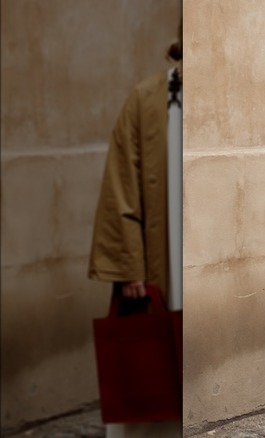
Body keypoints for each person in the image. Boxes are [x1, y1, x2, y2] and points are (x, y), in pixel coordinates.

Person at [88, 21, 182, 438]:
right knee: (151, 367)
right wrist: (129, 266)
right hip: (159, 264)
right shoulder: (147, 99)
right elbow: (121, 184)